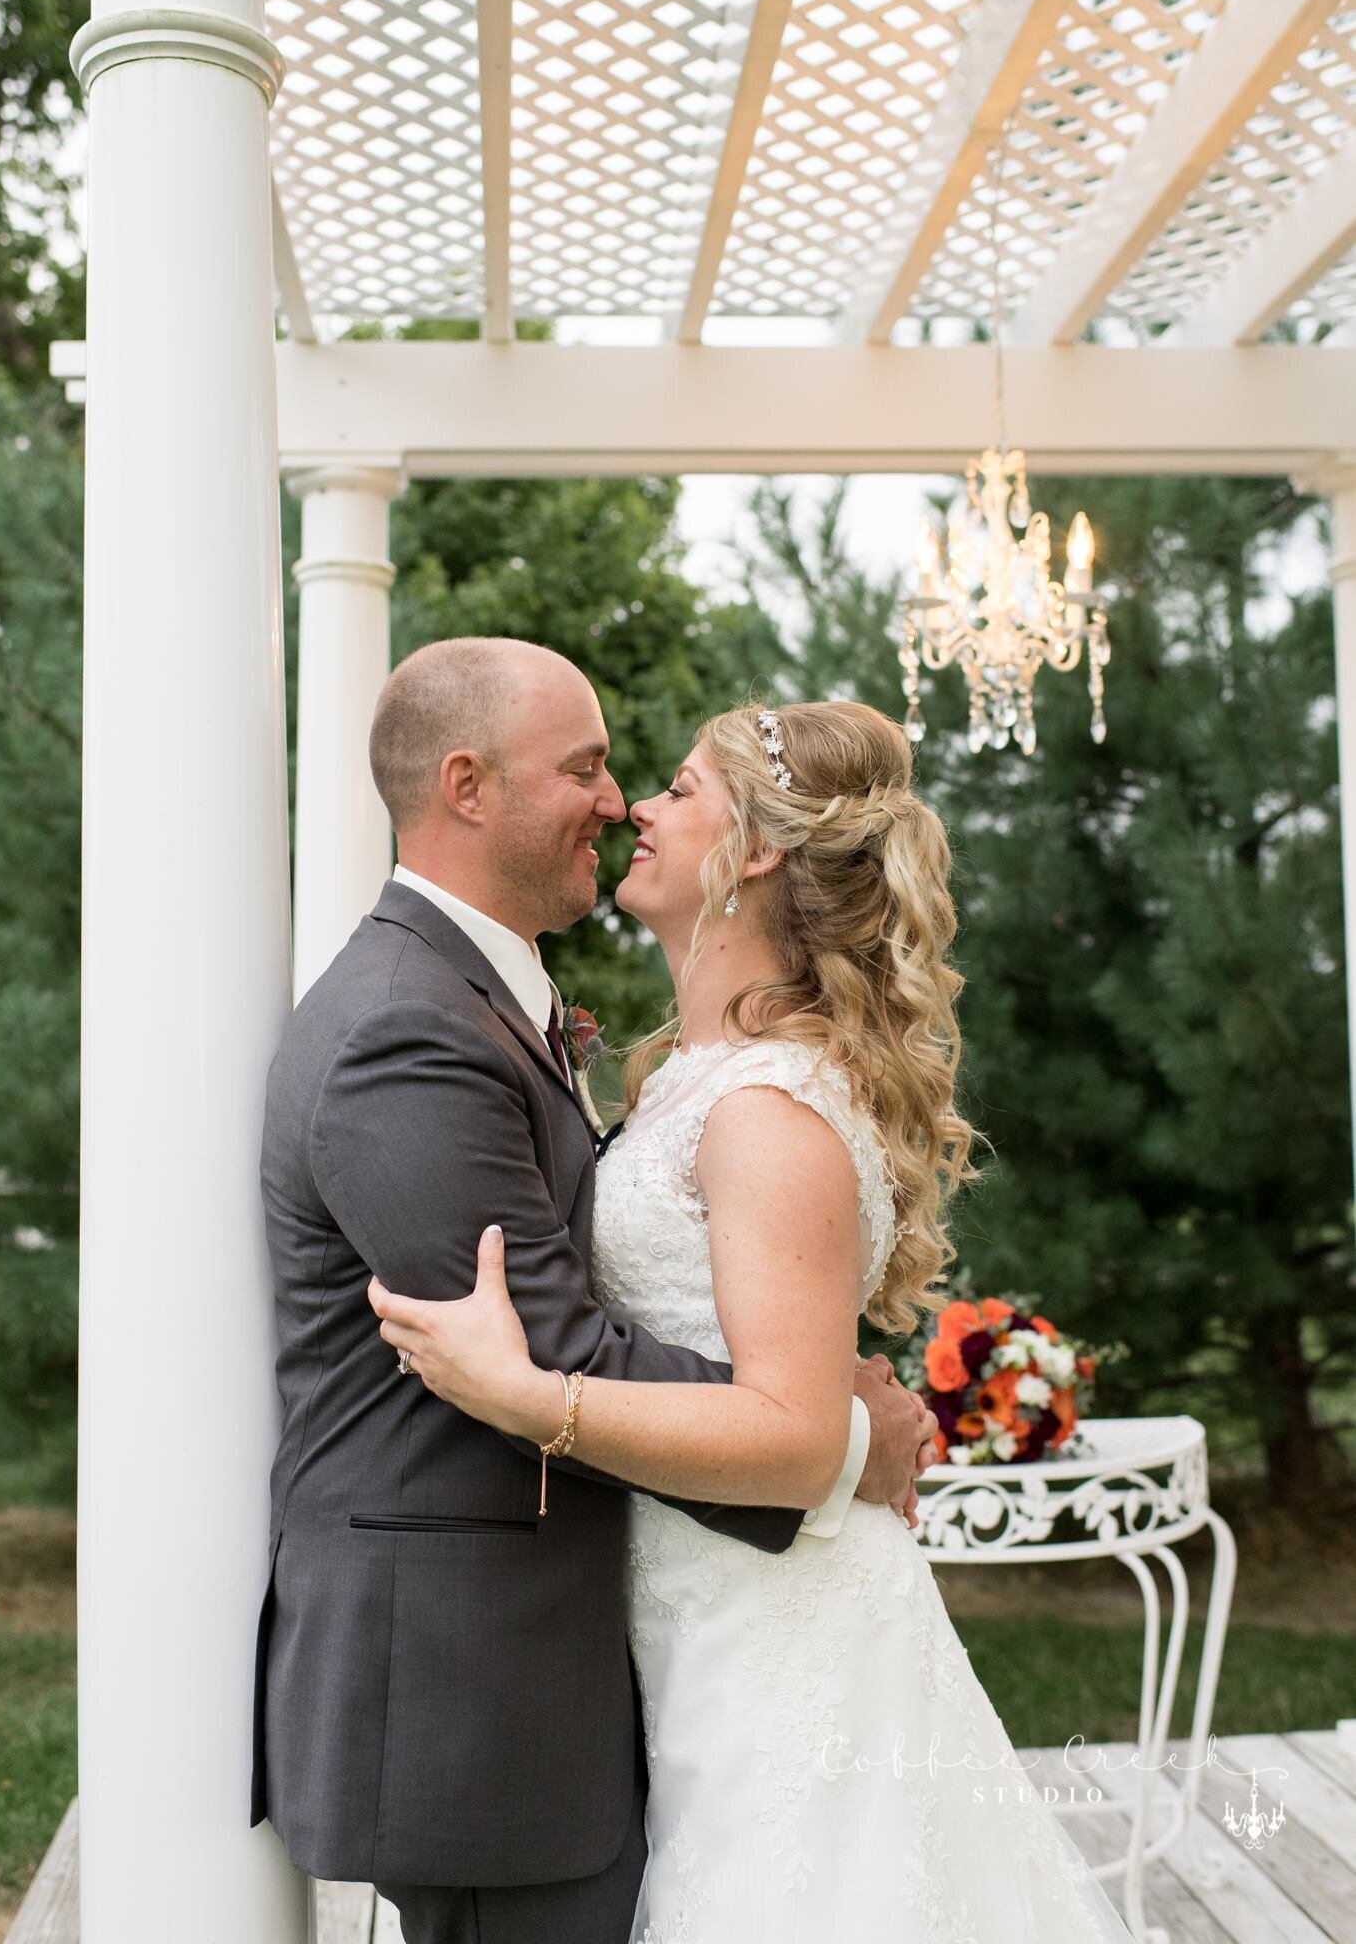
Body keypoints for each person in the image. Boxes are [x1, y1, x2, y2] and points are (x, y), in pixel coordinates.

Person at [371, 696, 1136, 1942]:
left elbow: (788, 1434)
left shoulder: (769, 1105)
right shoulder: (698, 1075)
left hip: (780, 1643)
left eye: (676, 787)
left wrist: (521, 1395)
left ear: (762, 849)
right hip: (703, 1619)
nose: (637, 808)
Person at [251, 640, 935, 1944]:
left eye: (652, 779)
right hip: (479, 1688)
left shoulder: (524, 1018)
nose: (620, 800)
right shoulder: (411, 1024)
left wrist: (807, 1419)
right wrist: (837, 1439)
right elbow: (549, 1342)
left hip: (617, 1658)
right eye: (590, 768)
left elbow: (571, 1331)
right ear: (465, 785)